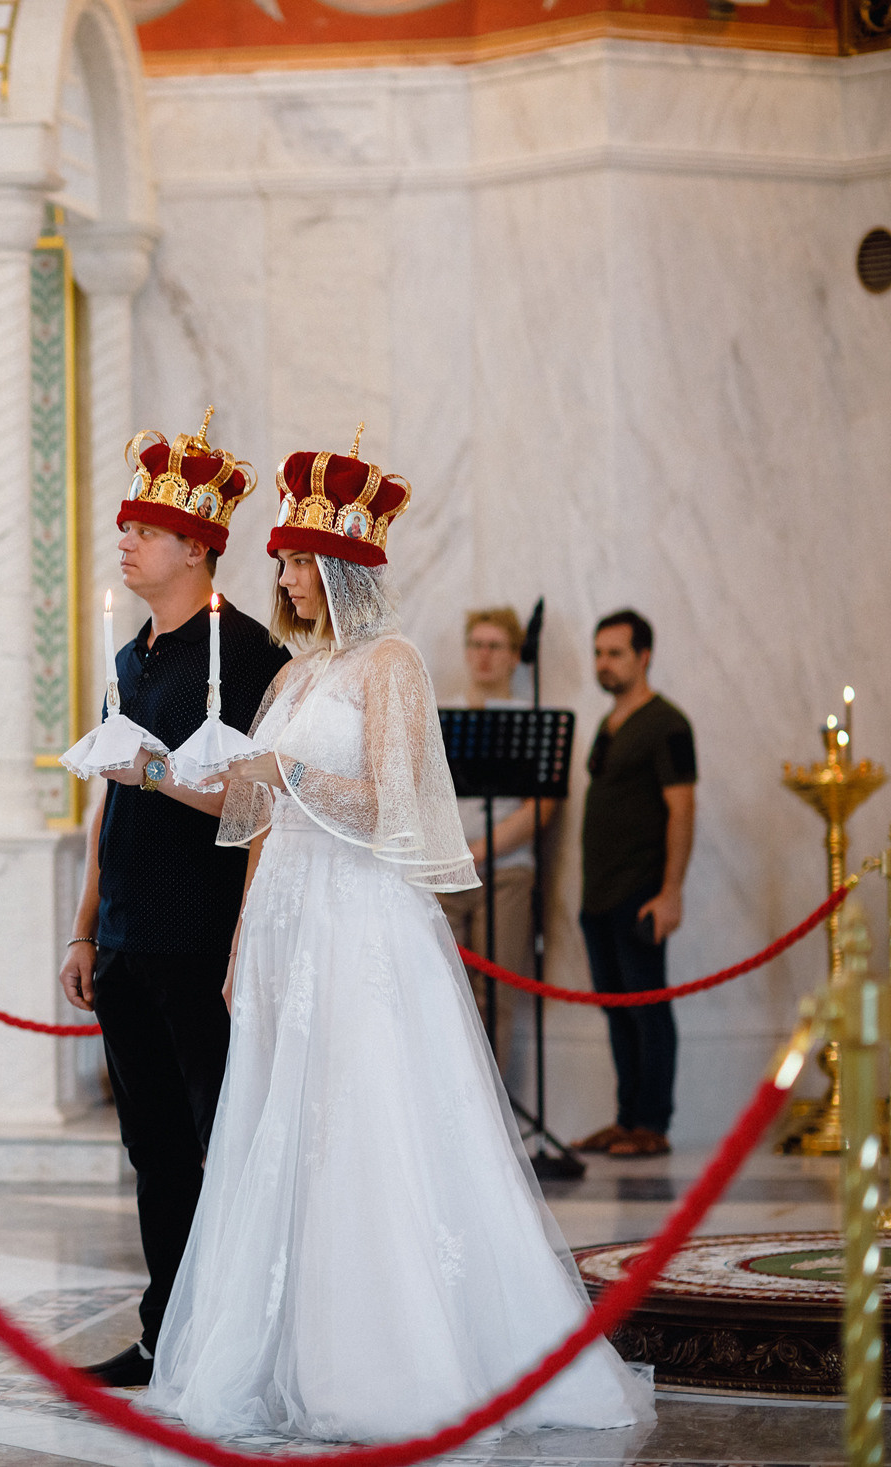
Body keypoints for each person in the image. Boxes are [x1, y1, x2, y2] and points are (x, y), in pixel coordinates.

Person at [144, 438, 651, 1441]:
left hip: (359, 924)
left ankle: (382, 1362)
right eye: (284, 560)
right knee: (281, 1129)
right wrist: (171, 792)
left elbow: (393, 809)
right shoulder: (293, 677)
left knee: (362, 1124)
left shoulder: (393, 664)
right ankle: (281, 1352)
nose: (285, 576)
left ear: (343, 567)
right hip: (285, 918)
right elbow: (255, 808)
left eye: (299, 560)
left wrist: (290, 776)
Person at [57, 416, 290, 1388]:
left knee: (220, 1141)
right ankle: (166, 1331)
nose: (126, 542)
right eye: (127, 528)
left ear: (196, 547)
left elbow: (263, 804)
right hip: (125, 938)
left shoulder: (251, 653)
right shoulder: (130, 658)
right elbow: (108, 798)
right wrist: (83, 928)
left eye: (145, 531)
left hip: (201, 937)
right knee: (152, 1149)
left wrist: (156, 772)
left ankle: (233, 1337)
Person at [573, 609, 695, 1159]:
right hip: (598, 894)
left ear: (644, 657)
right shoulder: (609, 724)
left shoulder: (668, 724)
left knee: (648, 1007)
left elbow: (682, 808)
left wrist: (670, 893)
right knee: (616, 1007)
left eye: (615, 654)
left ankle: (652, 1123)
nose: (604, 663)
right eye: (599, 653)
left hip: (641, 892)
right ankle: (626, 1120)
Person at [436, 607, 551, 1084]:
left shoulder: (531, 721)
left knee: (494, 999)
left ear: (514, 657)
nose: (483, 656)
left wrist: (479, 851)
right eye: (476, 645)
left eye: (495, 646)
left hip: (505, 871)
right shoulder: (442, 718)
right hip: (444, 868)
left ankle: (490, 1107)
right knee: (444, 992)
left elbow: (540, 807)